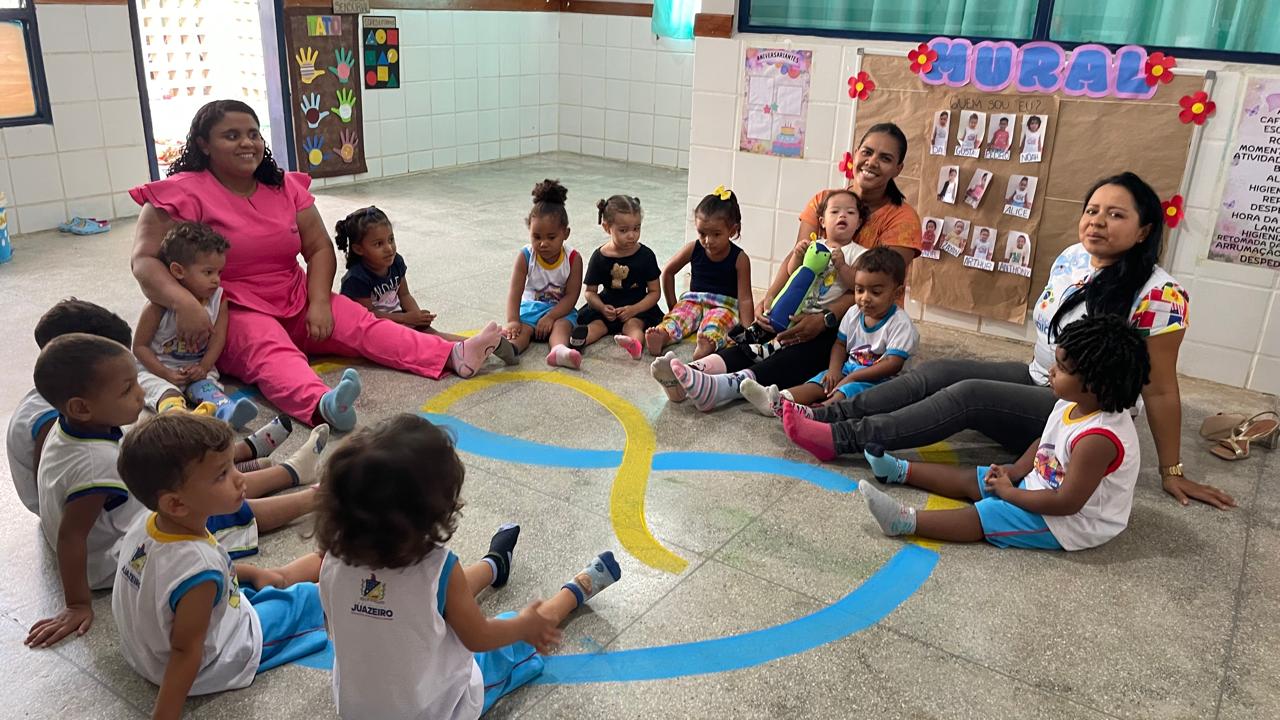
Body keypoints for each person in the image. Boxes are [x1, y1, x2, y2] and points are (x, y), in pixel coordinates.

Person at [779, 172, 1237, 510]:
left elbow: (1159, 387)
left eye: (1116, 215)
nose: (1097, 222)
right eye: (1092, 211)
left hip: (1080, 410)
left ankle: (842, 437)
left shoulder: (1160, 294)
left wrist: (1172, 469)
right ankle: (827, 410)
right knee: (939, 371)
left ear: (1144, 231)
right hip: (1043, 377)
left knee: (969, 396)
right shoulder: (1075, 258)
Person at [129, 99, 503, 432]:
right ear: (203, 145)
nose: (247, 143)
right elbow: (144, 260)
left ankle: (454, 355)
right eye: (231, 135)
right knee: (272, 352)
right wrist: (186, 304)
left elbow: (320, 247)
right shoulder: (180, 192)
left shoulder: (284, 186)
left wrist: (321, 301)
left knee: (363, 325)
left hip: (296, 293)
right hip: (233, 308)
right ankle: (323, 405)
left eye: (254, 134)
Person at [25, 334, 327, 649]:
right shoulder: (94, 465)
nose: (141, 394)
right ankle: (312, 493)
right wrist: (77, 603)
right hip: (113, 555)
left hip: (124, 520)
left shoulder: (72, 427)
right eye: (128, 389)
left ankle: (256, 458)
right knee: (220, 499)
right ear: (82, 407)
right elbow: (71, 536)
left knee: (201, 473)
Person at [316, 414, 623, 719]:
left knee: (436, 607)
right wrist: (524, 627)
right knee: (507, 630)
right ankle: (567, 598)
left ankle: (494, 564)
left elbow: (344, 626)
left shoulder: (331, 560)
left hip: (356, 712)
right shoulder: (438, 567)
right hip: (438, 710)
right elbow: (479, 638)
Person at [858, 315, 1147, 551]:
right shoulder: (1071, 403)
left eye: (1063, 368)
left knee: (991, 515)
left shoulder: (1098, 439)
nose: (1052, 371)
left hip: (1072, 523)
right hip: (1044, 487)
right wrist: (1015, 471)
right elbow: (1044, 442)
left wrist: (1010, 494)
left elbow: (1066, 503)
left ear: (1096, 385)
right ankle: (898, 470)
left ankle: (904, 521)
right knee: (982, 477)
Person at [111, 413, 328, 720]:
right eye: (222, 474)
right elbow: (186, 652)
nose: (240, 478)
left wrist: (250, 573)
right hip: (217, 659)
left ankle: (313, 563)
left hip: (147, 651)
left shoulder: (148, 524)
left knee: (270, 577)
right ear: (176, 503)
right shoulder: (199, 570)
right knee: (306, 598)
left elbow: (171, 586)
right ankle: (341, 572)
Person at [9, 299, 297, 519]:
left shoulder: (66, 399)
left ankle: (240, 455)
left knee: (182, 467)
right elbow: (54, 496)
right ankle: (296, 478)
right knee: (203, 497)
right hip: (101, 515)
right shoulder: (49, 420)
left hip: (106, 500)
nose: (140, 393)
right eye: (125, 388)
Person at [654, 190, 867, 410]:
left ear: (859, 221)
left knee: (784, 355)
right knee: (749, 343)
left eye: (850, 212)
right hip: (788, 313)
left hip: (820, 326)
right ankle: (692, 371)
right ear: (822, 221)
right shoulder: (813, 245)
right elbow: (793, 272)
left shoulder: (858, 254)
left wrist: (841, 266)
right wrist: (795, 257)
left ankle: (720, 388)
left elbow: (859, 287)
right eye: (835, 211)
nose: (842, 216)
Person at [740, 247, 917, 415]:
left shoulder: (900, 324)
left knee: (846, 390)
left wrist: (853, 378)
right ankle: (777, 401)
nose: (865, 298)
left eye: (876, 292)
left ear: (897, 293)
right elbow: (840, 345)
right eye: (859, 290)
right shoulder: (854, 313)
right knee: (820, 381)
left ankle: (818, 413)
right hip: (851, 369)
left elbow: (893, 364)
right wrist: (834, 370)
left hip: (882, 382)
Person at [133, 222, 259, 428]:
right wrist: (165, 374)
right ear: (178, 271)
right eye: (208, 273)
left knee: (207, 386)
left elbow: (218, 338)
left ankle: (226, 411)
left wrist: (203, 367)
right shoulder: (158, 305)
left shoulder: (219, 299)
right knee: (165, 392)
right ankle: (175, 414)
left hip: (196, 368)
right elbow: (139, 347)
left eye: (219, 273)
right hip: (156, 370)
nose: (216, 280)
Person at [336, 206, 502, 355]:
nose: (389, 248)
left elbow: (405, 295)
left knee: (429, 333)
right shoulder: (357, 278)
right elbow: (369, 316)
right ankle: (463, 351)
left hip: (397, 319)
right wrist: (407, 319)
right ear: (358, 249)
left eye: (391, 239)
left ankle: (474, 344)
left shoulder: (396, 262)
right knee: (417, 341)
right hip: (372, 330)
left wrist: (417, 318)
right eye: (378, 244)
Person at [644, 187, 754, 360]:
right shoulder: (693, 248)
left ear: (732, 231)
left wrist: (748, 332)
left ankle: (707, 345)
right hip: (694, 299)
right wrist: (674, 305)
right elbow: (668, 272)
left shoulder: (740, 259)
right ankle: (663, 337)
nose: (708, 241)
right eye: (702, 233)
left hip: (723, 305)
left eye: (716, 234)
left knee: (716, 323)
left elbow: (745, 298)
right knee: (679, 317)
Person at [502, 179, 584, 369]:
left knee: (562, 327)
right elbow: (515, 292)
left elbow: (571, 296)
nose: (543, 243)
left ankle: (559, 351)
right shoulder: (526, 256)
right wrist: (513, 320)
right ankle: (510, 350)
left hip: (559, 310)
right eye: (536, 237)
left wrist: (551, 317)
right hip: (530, 308)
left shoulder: (573, 258)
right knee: (522, 331)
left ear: (566, 233)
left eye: (551, 237)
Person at [569, 194, 662, 360]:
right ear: (607, 227)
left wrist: (634, 309)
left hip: (637, 307)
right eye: (624, 230)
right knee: (597, 326)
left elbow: (655, 292)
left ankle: (635, 344)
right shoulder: (599, 256)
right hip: (607, 306)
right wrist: (601, 308)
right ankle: (579, 341)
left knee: (633, 325)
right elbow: (590, 292)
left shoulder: (646, 256)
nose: (632, 235)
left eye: (636, 228)